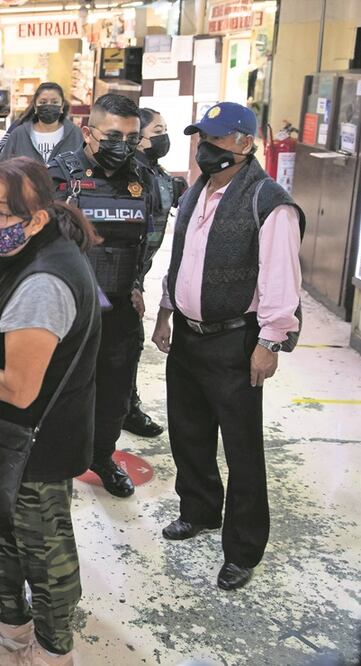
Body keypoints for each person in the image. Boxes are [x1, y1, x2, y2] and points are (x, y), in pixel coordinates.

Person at [0, 157, 102, 666]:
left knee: (43, 552)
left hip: (34, 440)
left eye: (0, 214)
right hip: (3, 435)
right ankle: (10, 624)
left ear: (36, 218)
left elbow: (19, 388)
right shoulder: (25, 253)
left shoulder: (43, 282)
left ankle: (54, 652)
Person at [151, 102, 303, 591]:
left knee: (242, 450)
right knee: (189, 433)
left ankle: (242, 548)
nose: (205, 149)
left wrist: (270, 343)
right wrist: (166, 312)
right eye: (202, 139)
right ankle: (198, 510)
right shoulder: (197, 191)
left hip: (236, 341)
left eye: (216, 141)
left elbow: (281, 280)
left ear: (244, 144)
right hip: (190, 338)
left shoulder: (268, 201)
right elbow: (182, 261)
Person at [46, 93, 161, 498]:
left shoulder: (142, 177)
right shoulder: (58, 176)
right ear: (88, 132)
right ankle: (58, 466)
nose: (122, 145)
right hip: (69, 313)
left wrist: (137, 284)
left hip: (118, 313)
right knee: (63, 392)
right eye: (113, 135)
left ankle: (101, 455)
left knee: (113, 396)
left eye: (131, 138)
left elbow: (151, 235)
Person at [122, 107, 183, 437]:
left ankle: (125, 406)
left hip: (138, 272)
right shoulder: (134, 175)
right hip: (122, 273)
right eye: (158, 130)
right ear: (140, 139)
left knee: (129, 341)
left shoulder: (157, 172)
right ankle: (125, 409)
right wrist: (133, 283)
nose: (164, 136)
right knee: (128, 340)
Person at [0, 83, 83, 165]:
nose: (49, 106)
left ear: (62, 106)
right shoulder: (19, 134)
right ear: (35, 106)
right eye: (43, 102)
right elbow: (0, 167)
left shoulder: (76, 134)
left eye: (55, 102)